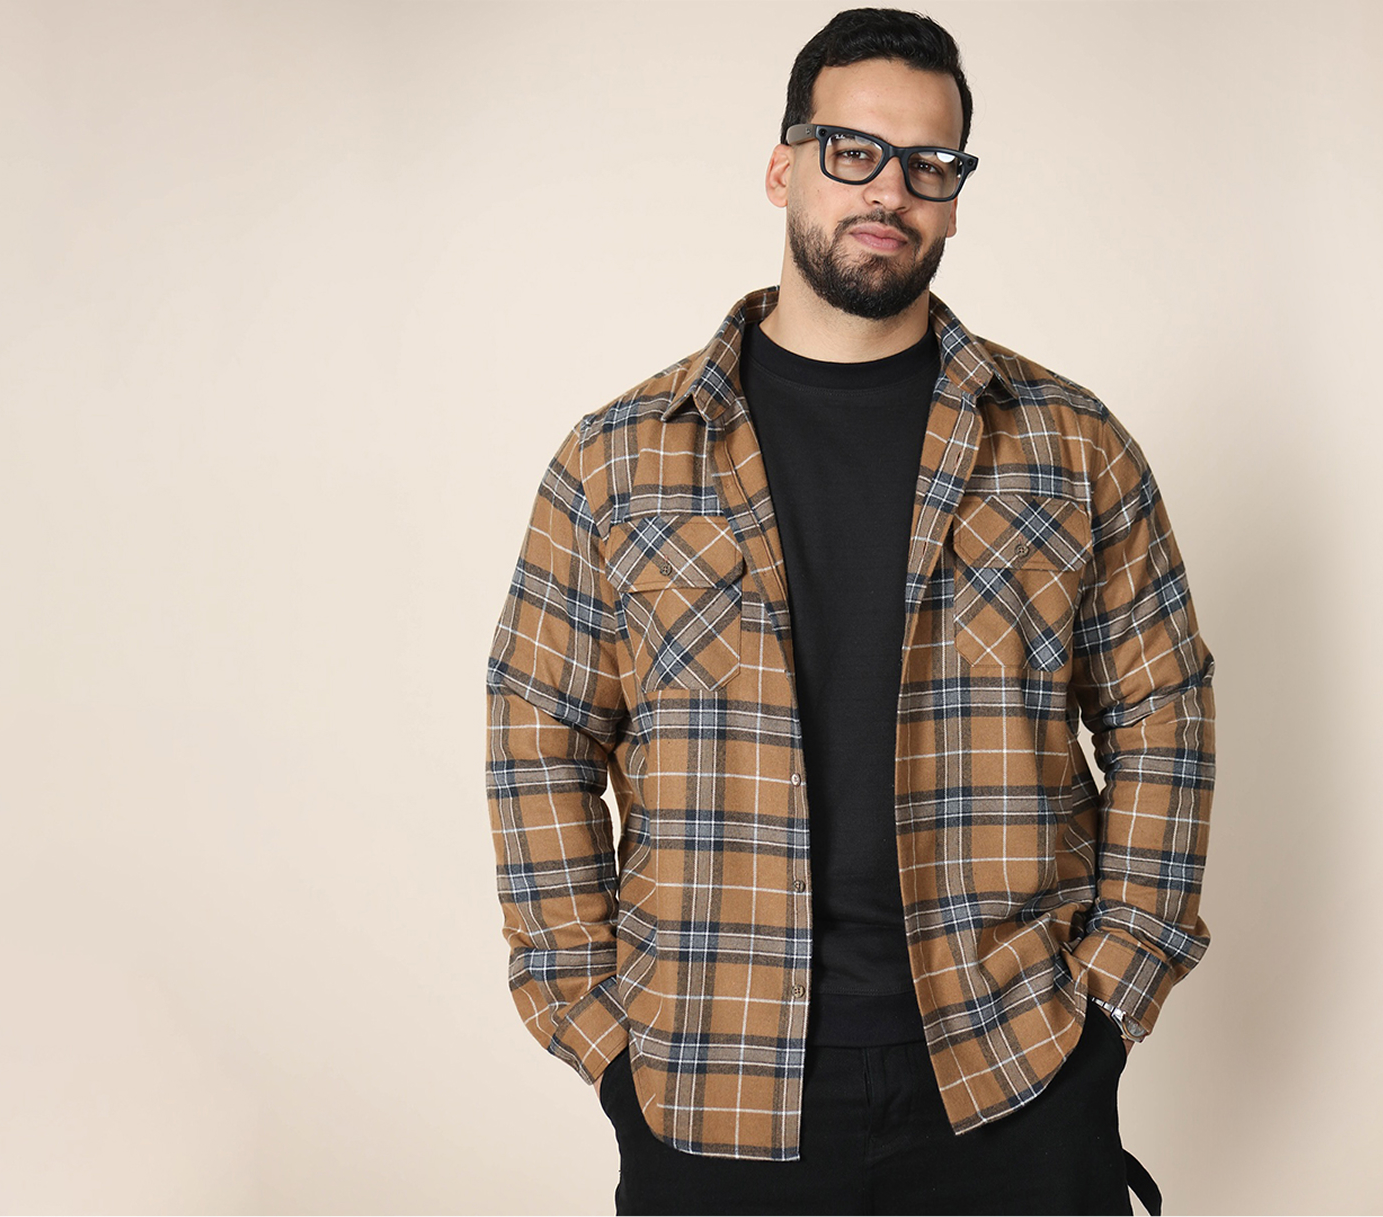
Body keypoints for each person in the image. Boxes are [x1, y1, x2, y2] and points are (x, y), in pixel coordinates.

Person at [485, 8, 1214, 1214]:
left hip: (1015, 1066)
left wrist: (1109, 999)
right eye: (854, 151)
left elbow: (1162, 713)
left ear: (957, 196)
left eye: (930, 164)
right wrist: (603, 1032)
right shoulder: (617, 462)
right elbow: (538, 737)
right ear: (784, 167)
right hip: (710, 1079)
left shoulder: (1072, 449)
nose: (890, 191)